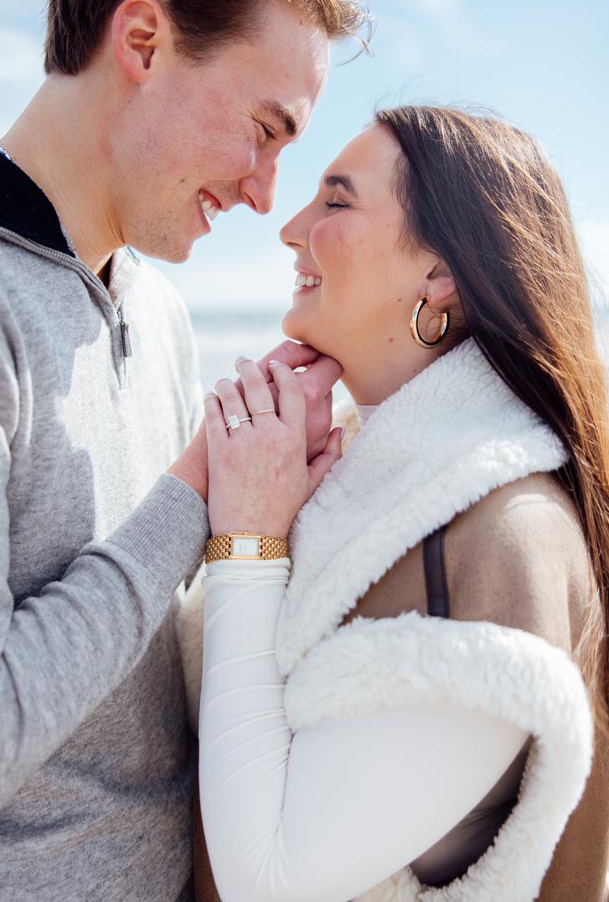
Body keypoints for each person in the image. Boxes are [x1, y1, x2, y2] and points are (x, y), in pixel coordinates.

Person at [0, 0, 366, 899]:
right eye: (265, 131)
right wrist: (195, 487)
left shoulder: (163, 312)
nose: (267, 195)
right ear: (141, 41)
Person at [180, 106, 609, 901]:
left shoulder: (501, 543)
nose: (289, 228)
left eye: (337, 203)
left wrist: (247, 538)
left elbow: (265, 880)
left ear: (439, 275)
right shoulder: (363, 482)